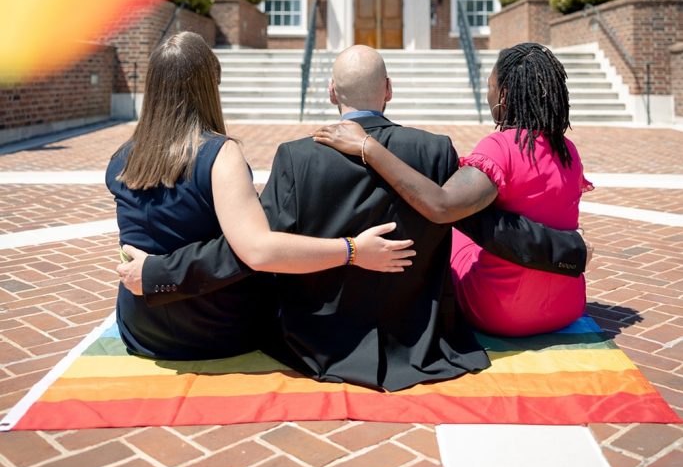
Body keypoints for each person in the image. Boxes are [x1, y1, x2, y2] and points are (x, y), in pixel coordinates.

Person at [119, 44, 588, 389]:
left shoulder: (296, 157)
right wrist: (569, 251)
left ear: (330, 93)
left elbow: (256, 250)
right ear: (388, 90)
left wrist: (160, 273)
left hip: (318, 338)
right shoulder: (435, 150)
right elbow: (481, 224)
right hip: (419, 338)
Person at [107, 32, 414, 361]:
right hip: (220, 330)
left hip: (142, 328)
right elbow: (256, 250)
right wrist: (352, 250)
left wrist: (156, 274)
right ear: (210, 85)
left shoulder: (121, 160)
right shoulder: (219, 154)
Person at [314, 42, 593, 337]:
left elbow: (442, 206)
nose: (487, 95)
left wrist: (366, 147)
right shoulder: (568, 151)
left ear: (505, 96)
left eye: (490, 86)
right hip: (567, 307)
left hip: (502, 313)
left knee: (451, 232)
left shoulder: (502, 146)